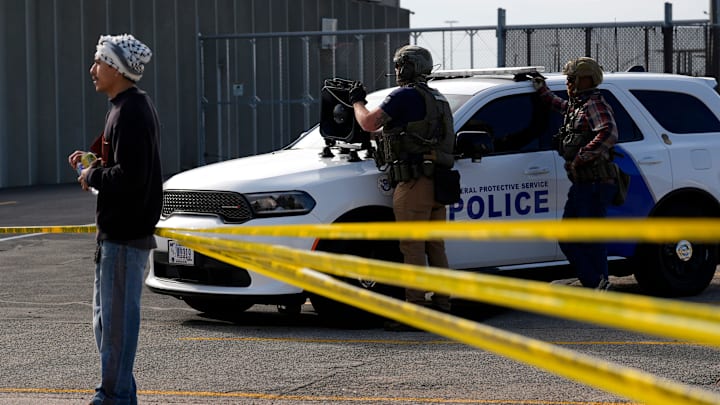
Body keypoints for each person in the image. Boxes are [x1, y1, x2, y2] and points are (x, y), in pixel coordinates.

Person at [67, 33, 163, 405]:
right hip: (115, 237)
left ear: (117, 68)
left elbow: (130, 177)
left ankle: (112, 397)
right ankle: (119, 394)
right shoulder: (123, 107)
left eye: (98, 62)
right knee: (107, 325)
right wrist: (93, 162)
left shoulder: (131, 112)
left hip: (124, 239)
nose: (92, 69)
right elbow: (123, 166)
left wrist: (92, 176)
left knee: (116, 329)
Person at [349, 45, 456, 329]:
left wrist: (357, 102)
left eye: (400, 65)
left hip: (413, 181)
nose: (397, 71)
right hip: (437, 181)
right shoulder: (437, 97)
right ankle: (443, 305)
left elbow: (369, 123)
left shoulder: (405, 95)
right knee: (436, 247)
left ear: (410, 67)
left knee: (411, 247)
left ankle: (416, 311)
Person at [531, 57, 618, 290]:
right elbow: (560, 105)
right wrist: (541, 89)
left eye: (572, 79)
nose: (568, 83)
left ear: (585, 79)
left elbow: (609, 132)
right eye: (568, 79)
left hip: (595, 183)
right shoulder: (578, 104)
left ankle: (598, 285)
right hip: (583, 184)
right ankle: (597, 283)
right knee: (572, 238)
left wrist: (582, 156)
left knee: (587, 238)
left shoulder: (593, 104)